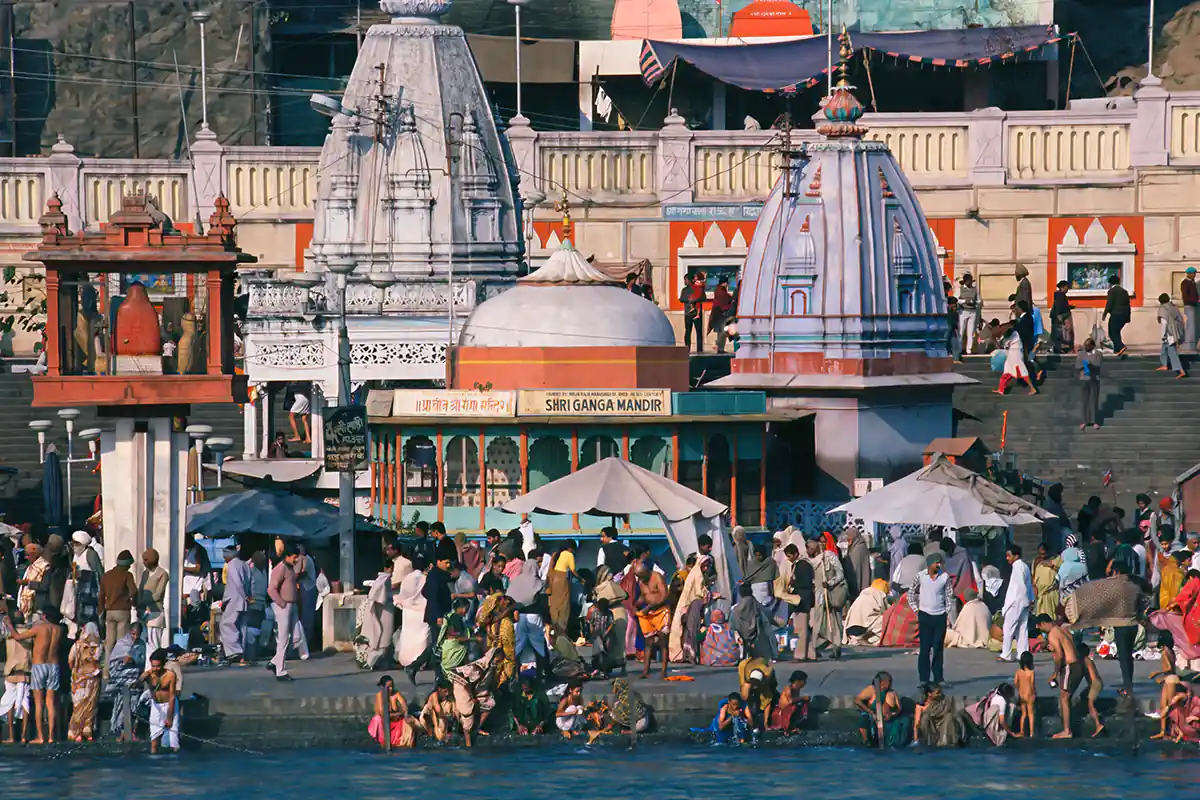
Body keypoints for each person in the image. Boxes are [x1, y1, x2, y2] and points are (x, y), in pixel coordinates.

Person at [10, 610, 61, 745]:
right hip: (54, 666)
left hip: (39, 665)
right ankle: (51, 736)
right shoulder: (59, 630)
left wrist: (9, 625)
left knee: (39, 703)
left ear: (44, 616)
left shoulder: (39, 628)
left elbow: (17, 636)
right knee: (50, 703)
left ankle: (40, 737)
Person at [909, 552, 954, 686]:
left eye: (940, 563)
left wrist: (946, 612)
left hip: (939, 616)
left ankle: (938, 678)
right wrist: (916, 610)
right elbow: (911, 593)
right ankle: (924, 679)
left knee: (938, 648)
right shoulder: (920, 576)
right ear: (930, 564)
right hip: (925, 616)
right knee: (924, 648)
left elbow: (948, 596)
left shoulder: (945, 577)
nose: (939, 565)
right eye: (937, 563)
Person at [1036, 613, 1081, 738]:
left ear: (1043, 624)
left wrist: (1055, 673)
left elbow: (1060, 655)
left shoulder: (1052, 634)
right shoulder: (1062, 629)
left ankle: (1067, 730)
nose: (1042, 631)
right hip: (1077, 664)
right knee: (1066, 697)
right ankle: (1068, 725)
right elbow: (1069, 644)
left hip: (1070, 666)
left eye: (1040, 628)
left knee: (1064, 698)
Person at [448, 647, 499, 747]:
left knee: (490, 703)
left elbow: (487, 682)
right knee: (468, 712)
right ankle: (468, 743)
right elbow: (467, 683)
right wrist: (472, 697)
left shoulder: (491, 668)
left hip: (473, 687)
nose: (498, 663)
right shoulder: (478, 668)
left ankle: (476, 728)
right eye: (497, 661)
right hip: (462, 684)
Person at [267, 546, 303, 682]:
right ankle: (280, 671)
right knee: (283, 639)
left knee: (296, 637)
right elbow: (271, 589)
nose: (296, 559)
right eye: (294, 556)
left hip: (292, 606)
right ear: (287, 556)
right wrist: (281, 603)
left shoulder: (290, 568)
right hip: (284, 606)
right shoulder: (280, 568)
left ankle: (275, 661)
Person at [807, 536, 846, 659]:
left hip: (830, 593)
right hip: (818, 595)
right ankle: (817, 646)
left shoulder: (829, 557)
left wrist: (830, 583)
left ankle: (836, 645)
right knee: (818, 620)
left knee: (834, 620)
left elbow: (840, 573)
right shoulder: (810, 561)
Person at [106, 622, 146, 741]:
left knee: (134, 707)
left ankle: (131, 731)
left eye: (137, 635)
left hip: (135, 680)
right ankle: (119, 732)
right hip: (121, 680)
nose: (135, 637)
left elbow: (142, 661)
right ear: (129, 632)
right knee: (120, 706)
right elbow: (113, 662)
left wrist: (133, 660)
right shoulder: (121, 643)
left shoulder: (141, 644)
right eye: (133, 634)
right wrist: (123, 661)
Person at [669, 554, 712, 663]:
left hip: (686, 605)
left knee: (685, 631)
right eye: (705, 566)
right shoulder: (699, 575)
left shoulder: (694, 573)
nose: (706, 568)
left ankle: (684, 655)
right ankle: (691, 656)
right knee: (692, 631)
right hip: (692, 606)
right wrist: (708, 593)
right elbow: (698, 592)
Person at [99, 550, 138, 669]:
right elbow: (133, 591)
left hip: (109, 611)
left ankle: (107, 670)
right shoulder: (127, 575)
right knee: (122, 642)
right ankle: (118, 669)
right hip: (122, 611)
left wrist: (100, 610)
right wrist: (134, 603)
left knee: (109, 641)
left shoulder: (107, 575)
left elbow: (101, 595)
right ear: (127, 564)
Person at [634, 559, 670, 679]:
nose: (641, 580)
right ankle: (646, 670)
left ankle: (664, 670)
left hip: (661, 611)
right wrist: (637, 603)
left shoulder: (657, 577)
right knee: (648, 642)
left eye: (642, 576)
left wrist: (651, 606)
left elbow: (664, 595)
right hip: (648, 613)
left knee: (663, 641)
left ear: (647, 572)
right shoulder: (641, 581)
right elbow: (644, 595)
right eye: (638, 577)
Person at [1000, 544, 1034, 662]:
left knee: (1008, 628)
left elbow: (1020, 587)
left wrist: (1018, 602)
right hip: (1024, 601)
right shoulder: (1024, 566)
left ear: (1016, 556)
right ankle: (1022, 654)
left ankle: (1006, 654)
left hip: (1017, 602)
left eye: (1009, 556)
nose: (1007, 558)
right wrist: (1030, 599)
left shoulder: (1017, 567)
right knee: (1022, 629)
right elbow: (1028, 585)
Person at [855, 672, 908, 747]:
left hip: (888, 720)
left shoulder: (892, 693)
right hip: (872, 716)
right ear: (882, 682)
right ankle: (866, 741)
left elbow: (899, 708)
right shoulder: (871, 690)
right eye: (889, 682)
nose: (890, 684)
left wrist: (893, 714)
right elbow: (857, 700)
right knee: (864, 720)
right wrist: (870, 712)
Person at [142, 648, 180, 753]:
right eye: (153, 666)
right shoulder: (149, 675)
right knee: (154, 738)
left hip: (170, 704)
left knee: (173, 739)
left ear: (163, 664)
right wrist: (147, 673)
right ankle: (154, 759)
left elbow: (172, 697)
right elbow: (138, 681)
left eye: (158, 666)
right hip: (156, 705)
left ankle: (174, 760)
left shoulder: (170, 675)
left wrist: (169, 717)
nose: (155, 669)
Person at [359, 564, 395, 671]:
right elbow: (379, 596)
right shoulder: (384, 579)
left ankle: (377, 662)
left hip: (384, 610)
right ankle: (372, 662)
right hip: (384, 611)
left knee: (383, 638)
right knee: (383, 639)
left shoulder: (383, 579)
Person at [219, 546, 251, 663]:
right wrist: (247, 596)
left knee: (227, 625)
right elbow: (249, 582)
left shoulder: (232, 564)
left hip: (235, 599)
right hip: (244, 600)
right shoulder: (245, 564)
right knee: (242, 627)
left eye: (225, 555)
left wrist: (243, 595)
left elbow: (237, 583)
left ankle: (234, 652)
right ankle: (242, 652)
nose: (223, 558)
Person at [138, 548, 170, 655]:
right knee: (144, 644)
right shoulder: (145, 574)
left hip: (155, 612)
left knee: (154, 643)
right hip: (143, 613)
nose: (144, 562)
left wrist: (143, 601)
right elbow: (140, 590)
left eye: (146, 560)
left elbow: (158, 594)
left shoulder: (162, 574)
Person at [368, 675, 413, 749]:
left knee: (408, 721)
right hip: (383, 723)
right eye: (388, 687)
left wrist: (405, 715)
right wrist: (398, 714)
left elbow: (404, 706)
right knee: (377, 719)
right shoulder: (379, 696)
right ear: (383, 687)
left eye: (392, 686)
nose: (391, 689)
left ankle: (405, 743)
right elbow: (382, 713)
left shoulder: (396, 694)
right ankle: (382, 742)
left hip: (395, 721)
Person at [844, 577, 889, 646]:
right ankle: (869, 640)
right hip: (865, 625)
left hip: (852, 625)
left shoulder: (864, 592)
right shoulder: (880, 594)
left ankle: (857, 638)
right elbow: (886, 612)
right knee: (885, 622)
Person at [435, 596, 471, 678]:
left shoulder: (451, 616)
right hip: (452, 650)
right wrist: (475, 639)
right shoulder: (456, 619)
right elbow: (455, 636)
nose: (467, 612)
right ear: (461, 608)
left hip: (447, 649)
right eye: (466, 609)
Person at [995, 324, 1037, 395]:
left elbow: (1003, 344)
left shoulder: (1013, 335)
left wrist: (998, 339)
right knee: (1007, 370)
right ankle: (1001, 389)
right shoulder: (1013, 335)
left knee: (1021, 370)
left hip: (1015, 355)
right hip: (1012, 354)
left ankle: (1032, 388)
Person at [547, 539, 576, 635]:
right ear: (570, 548)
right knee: (564, 608)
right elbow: (573, 570)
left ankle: (554, 631)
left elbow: (549, 571)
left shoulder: (555, 555)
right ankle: (561, 633)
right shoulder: (569, 554)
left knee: (554, 608)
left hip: (553, 582)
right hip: (562, 581)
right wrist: (582, 580)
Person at [1157, 292, 1187, 378]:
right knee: (1164, 349)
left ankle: (1180, 370)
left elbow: (1164, 323)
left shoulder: (1163, 309)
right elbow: (1180, 320)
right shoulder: (1173, 307)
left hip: (1169, 333)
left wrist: (1162, 334)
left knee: (1171, 351)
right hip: (1176, 332)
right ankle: (1164, 364)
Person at [1078, 642, 1105, 737]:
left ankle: (1098, 725)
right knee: (1082, 695)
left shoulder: (1084, 660)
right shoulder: (1087, 659)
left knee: (1090, 703)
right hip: (1095, 683)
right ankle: (1088, 712)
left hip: (1095, 684)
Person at [1076, 336, 1103, 430]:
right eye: (1085, 346)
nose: (1086, 347)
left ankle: (1095, 421)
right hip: (1084, 378)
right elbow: (1077, 366)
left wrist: (1091, 363)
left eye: (1088, 346)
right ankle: (1084, 421)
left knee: (1094, 401)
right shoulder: (1081, 354)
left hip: (1094, 378)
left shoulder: (1098, 354)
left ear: (1092, 346)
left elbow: (1099, 364)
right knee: (1084, 401)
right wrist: (1084, 365)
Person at [1102, 272, 1130, 356]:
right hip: (1124, 315)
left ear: (1110, 283)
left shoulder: (1112, 291)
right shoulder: (1124, 291)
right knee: (1117, 332)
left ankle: (1121, 346)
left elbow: (1109, 303)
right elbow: (1128, 304)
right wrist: (1128, 317)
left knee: (1112, 333)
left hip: (1116, 314)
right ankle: (1117, 349)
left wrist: (1105, 313)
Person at [681, 271, 706, 353]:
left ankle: (691, 349)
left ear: (689, 280)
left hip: (692, 313)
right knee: (692, 331)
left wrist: (691, 300)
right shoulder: (685, 290)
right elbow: (682, 299)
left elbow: (703, 298)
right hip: (692, 313)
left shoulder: (693, 289)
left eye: (685, 280)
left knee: (692, 331)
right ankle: (695, 349)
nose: (685, 282)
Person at [957, 272, 980, 358]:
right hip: (963, 311)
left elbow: (979, 300)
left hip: (972, 311)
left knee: (971, 332)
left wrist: (975, 302)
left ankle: (969, 350)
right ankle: (959, 349)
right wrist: (964, 301)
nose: (970, 283)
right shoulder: (960, 289)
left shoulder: (975, 290)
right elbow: (956, 299)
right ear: (965, 281)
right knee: (961, 331)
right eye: (969, 281)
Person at [1013, 651, 1036, 738]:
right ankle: (1031, 732)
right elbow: (1032, 684)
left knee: (1023, 714)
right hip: (1029, 694)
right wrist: (1034, 693)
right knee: (1031, 714)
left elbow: (1015, 682)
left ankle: (1022, 731)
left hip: (1021, 695)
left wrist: (1019, 688)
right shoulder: (1031, 672)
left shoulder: (1018, 672)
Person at [709, 274, 734, 354]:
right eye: (726, 283)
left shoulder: (719, 290)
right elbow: (725, 300)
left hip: (718, 313)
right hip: (720, 314)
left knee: (721, 332)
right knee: (722, 332)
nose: (727, 285)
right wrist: (730, 298)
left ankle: (719, 347)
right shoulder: (720, 291)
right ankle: (719, 348)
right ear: (723, 283)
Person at [1184, 266, 1199, 350]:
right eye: (1193, 273)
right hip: (1189, 305)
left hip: (1193, 305)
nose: (1194, 275)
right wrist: (1196, 301)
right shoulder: (1186, 283)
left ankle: (1192, 344)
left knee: (1193, 325)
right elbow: (1186, 296)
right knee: (1190, 325)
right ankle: (1189, 345)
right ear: (1189, 274)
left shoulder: (1192, 283)